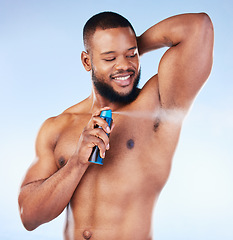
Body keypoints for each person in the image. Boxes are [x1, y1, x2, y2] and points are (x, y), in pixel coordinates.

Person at [18, 11, 214, 240]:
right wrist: (76, 163)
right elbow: (29, 216)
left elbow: (199, 27)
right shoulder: (57, 127)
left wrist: (126, 46)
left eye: (131, 55)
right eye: (109, 58)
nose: (124, 66)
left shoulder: (156, 106)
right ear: (87, 61)